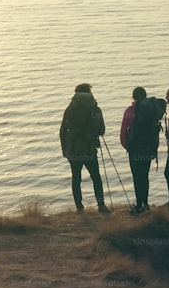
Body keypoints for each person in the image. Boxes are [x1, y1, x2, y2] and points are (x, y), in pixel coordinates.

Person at [60, 83, 110, 214]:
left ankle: (79, 208)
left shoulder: (69, 110)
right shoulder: (95, 109)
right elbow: (101, 130)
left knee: (76, 178)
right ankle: (101, 204)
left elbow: (63, 130)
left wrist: (64, 148)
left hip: (74, 150)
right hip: (89, 149)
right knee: (96, 177)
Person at [120, 87, 155, 215]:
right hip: (148, 149)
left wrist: (128, 147)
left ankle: (139, 204)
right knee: (145, 176)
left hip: (134, 150)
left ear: (133, 97)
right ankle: (145, 204)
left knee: (137, 176)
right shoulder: (151, 110)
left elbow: (123, 132)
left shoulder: (130, 111)